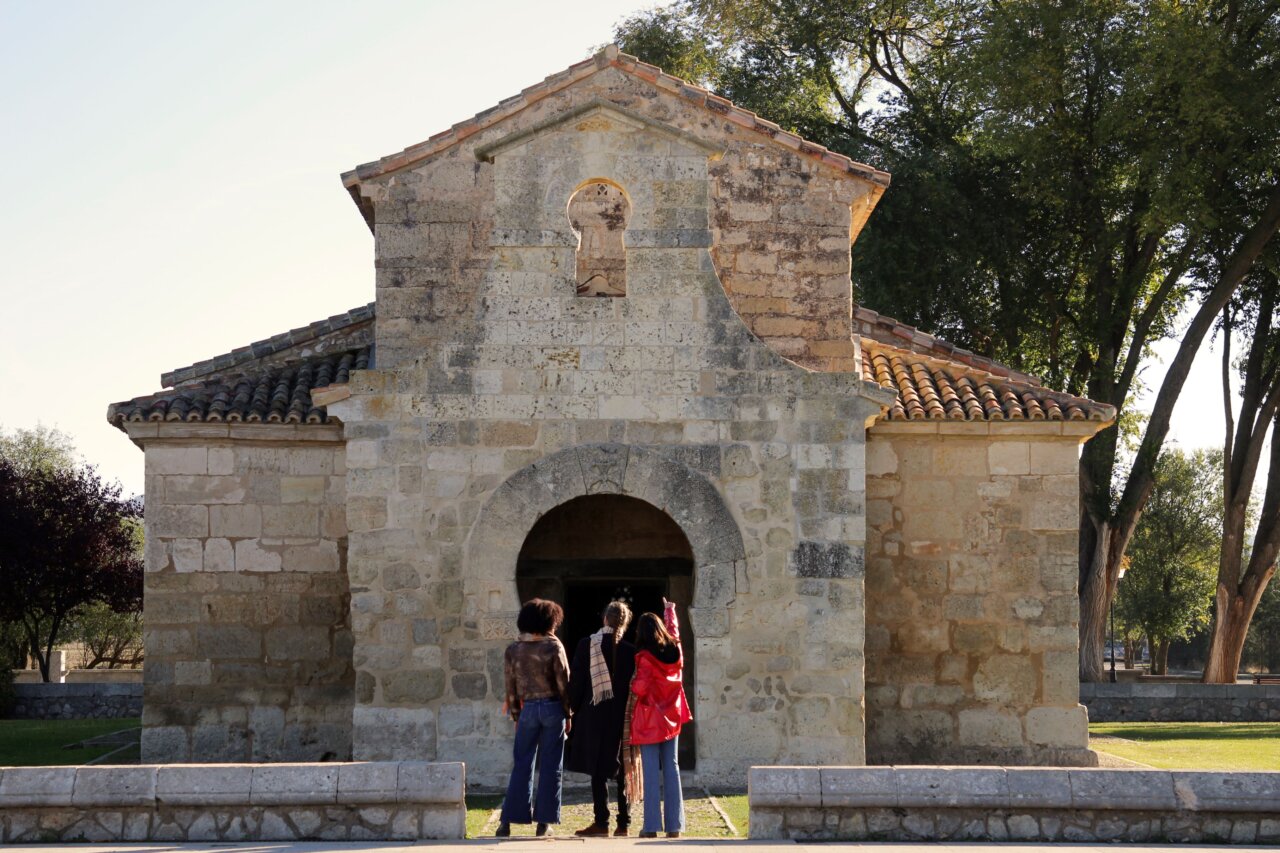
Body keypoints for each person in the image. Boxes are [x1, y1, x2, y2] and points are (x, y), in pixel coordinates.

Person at [496, 598, 572, 838]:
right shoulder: (553, 646)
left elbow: (510, 687)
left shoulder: (513, 649)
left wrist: (516, 715)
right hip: (552, 708)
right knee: (551, 766)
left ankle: (507, 820)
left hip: (528, 708)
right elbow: (564, 684)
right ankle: (544, 822)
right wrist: (568, 713)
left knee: (522, 763)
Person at [566, 600, 636, 837]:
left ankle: (601, 822)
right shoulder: (630, 650)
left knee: (598, 768)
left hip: (594, 713)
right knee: (623, 766)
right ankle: (624, 824)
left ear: (605, 619)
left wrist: (570, 709)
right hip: (621, 714)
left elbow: (576, 682)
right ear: (625, 622)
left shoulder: (587, 645)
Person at [630, 598, 691, 838]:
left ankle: (651, 826)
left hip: (649, 720)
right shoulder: (675, 651)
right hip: (672, 716)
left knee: (651, 772)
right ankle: (674, 826)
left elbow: (640, 688)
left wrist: (631, 682)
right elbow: (674, 633)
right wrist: (670, 611)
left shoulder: (645, 658)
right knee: (672, 768)